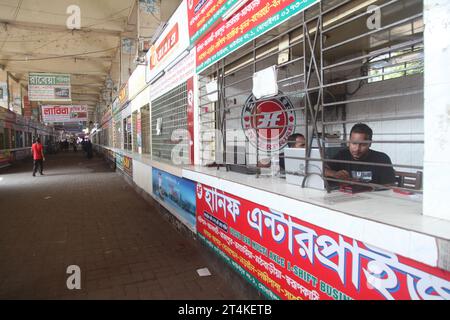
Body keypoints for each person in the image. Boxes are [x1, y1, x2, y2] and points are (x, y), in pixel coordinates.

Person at [324, 123, 396, 186]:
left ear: (370, 143)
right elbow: (322, 169)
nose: (357, 149)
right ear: (349, 142)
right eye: (354, 143)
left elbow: (389, 186)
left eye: (363, 144)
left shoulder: (382, 159)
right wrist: (334, 174)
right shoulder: (342, 155)